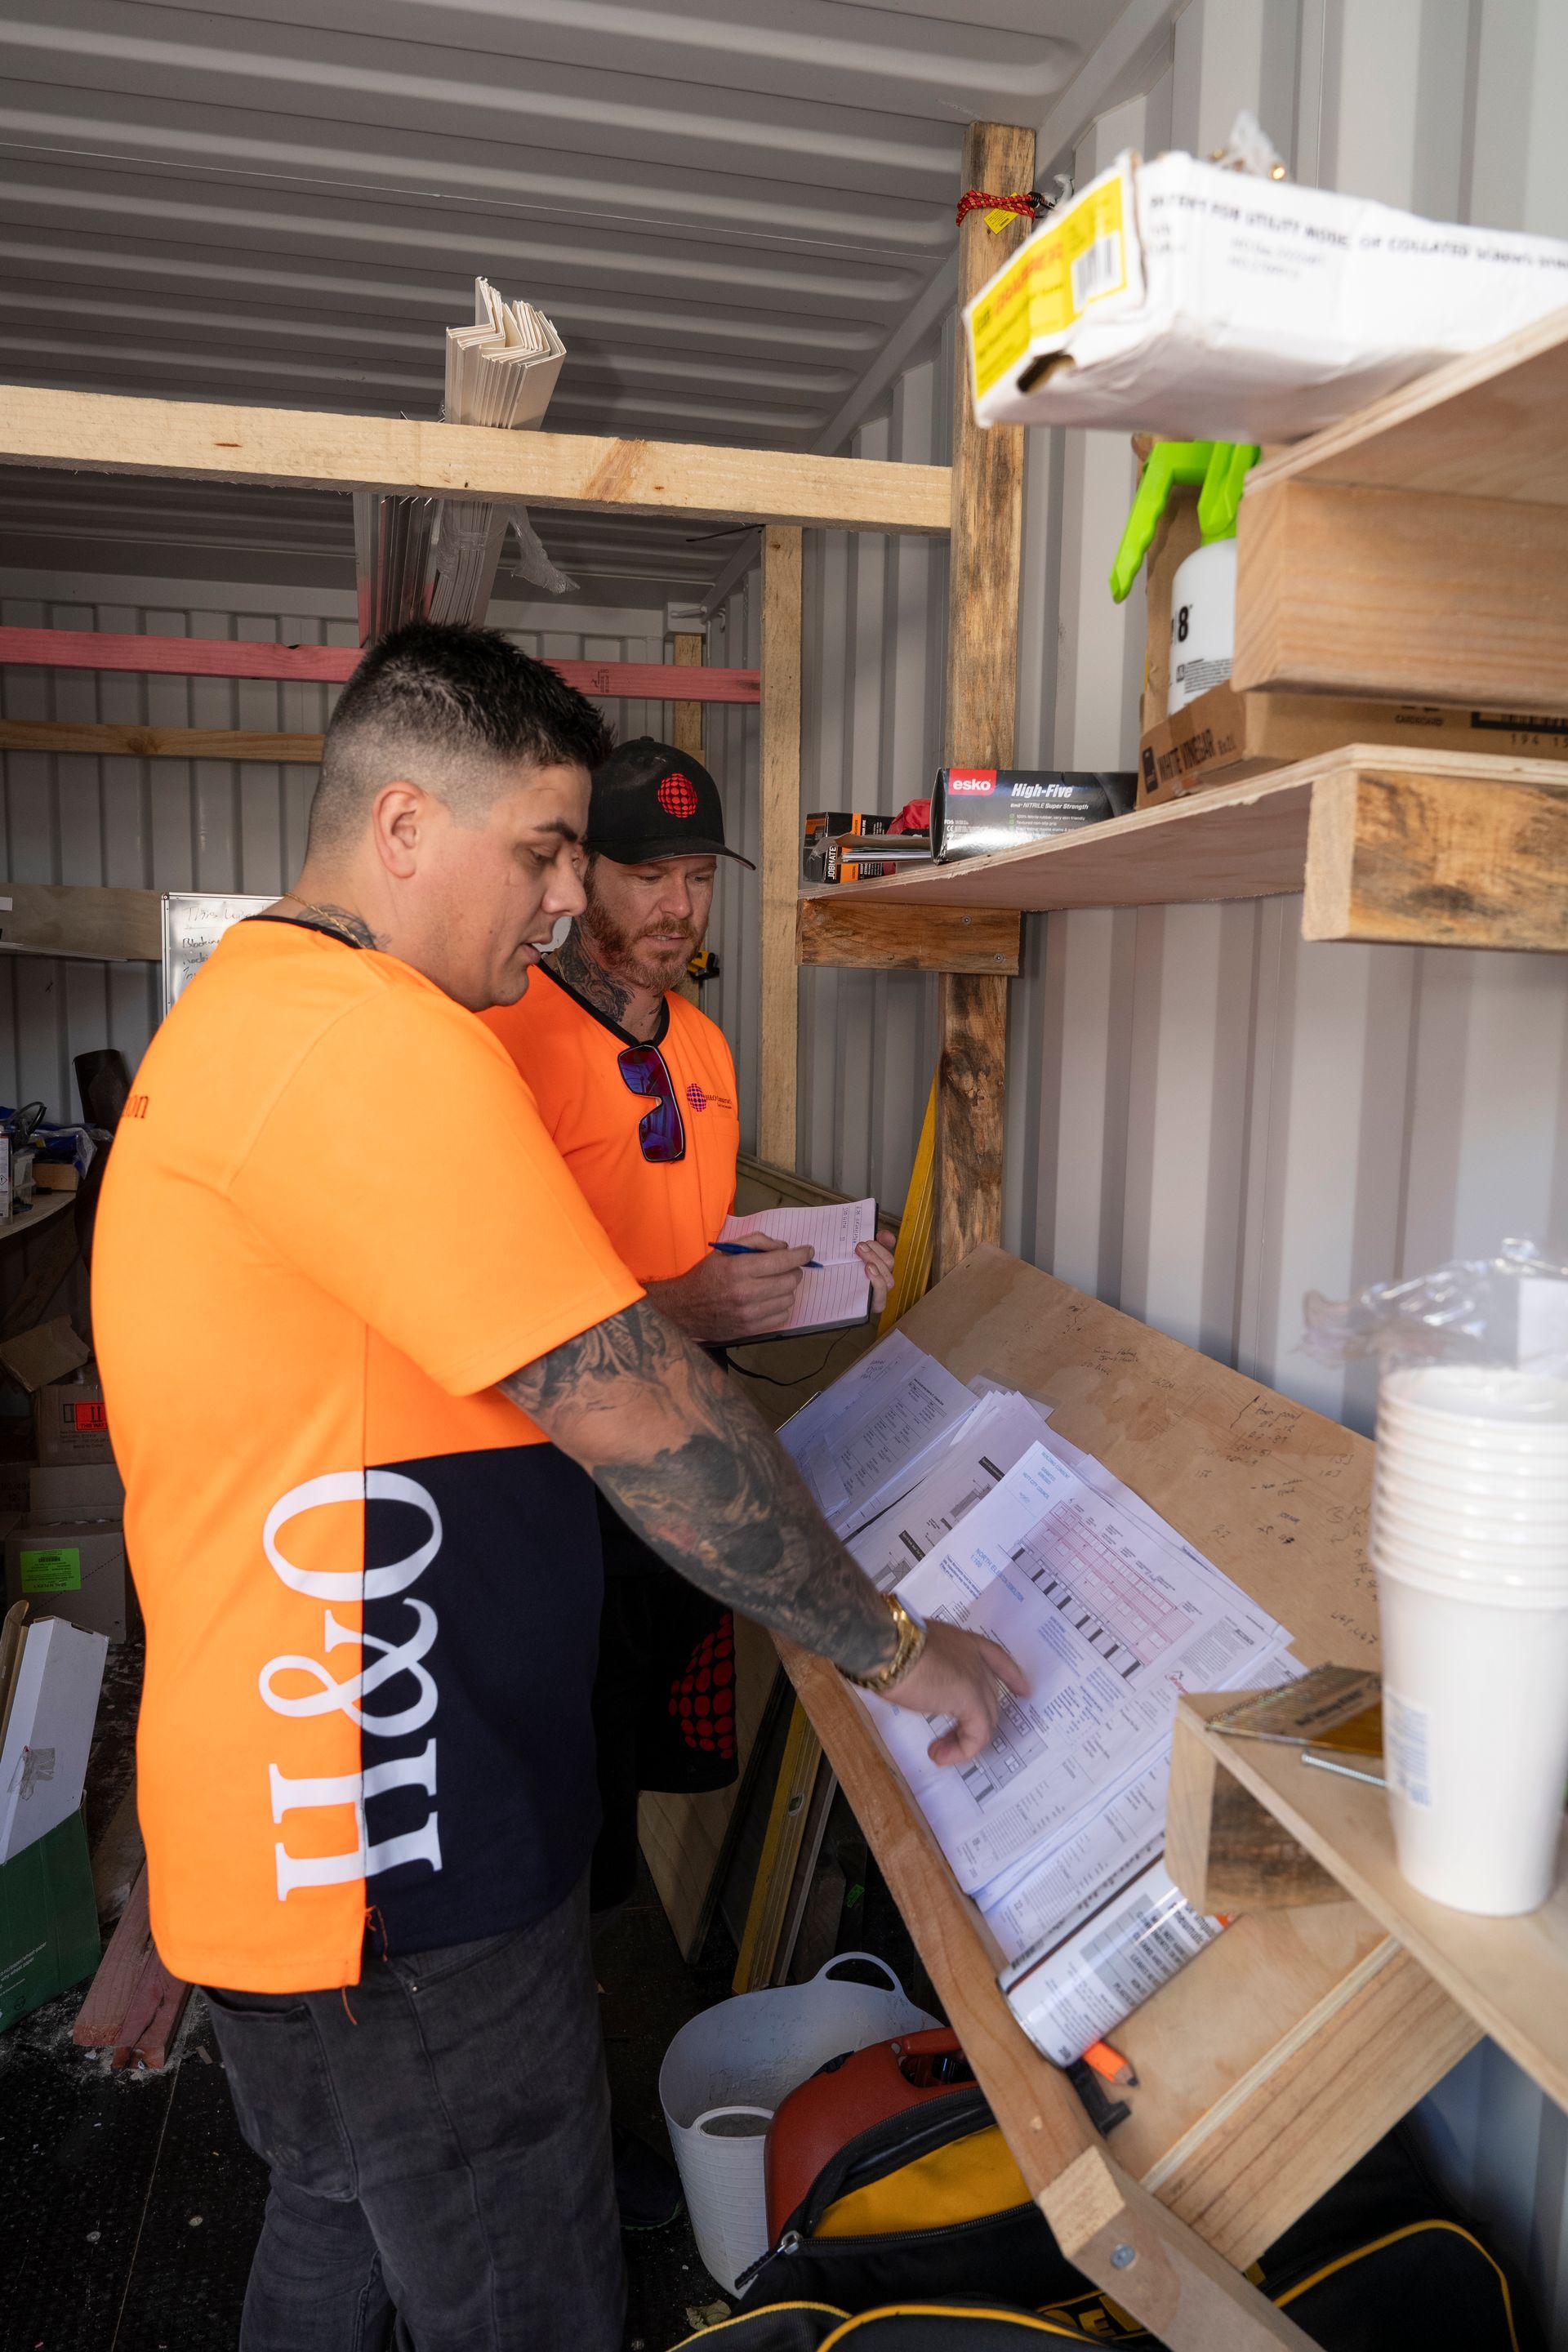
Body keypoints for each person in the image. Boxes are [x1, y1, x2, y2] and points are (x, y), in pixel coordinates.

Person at [90, 621, 1026, 2352]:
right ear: (399, 829)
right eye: (536, 853)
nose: (556, 904)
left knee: (342, 2223)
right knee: (527, 2296)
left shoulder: (245, 1020)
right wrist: (902, 1649)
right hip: (397, 1859)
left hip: (295, 1848)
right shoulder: (369, 1041)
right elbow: (642, 1411)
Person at [482, 737, 896, 2227]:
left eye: (691, 874)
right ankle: (548, 2149)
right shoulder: (508, 1036)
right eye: (638, 871)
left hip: (678, 1497)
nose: (670, 904)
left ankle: (585, 2104)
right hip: (543, 1494)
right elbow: (506, 1304)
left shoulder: (707, 1051)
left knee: (632, 1775)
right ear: (574, 871)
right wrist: (687, 1317)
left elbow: (684, 1247)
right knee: (551, 1813)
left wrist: (819, 1275)